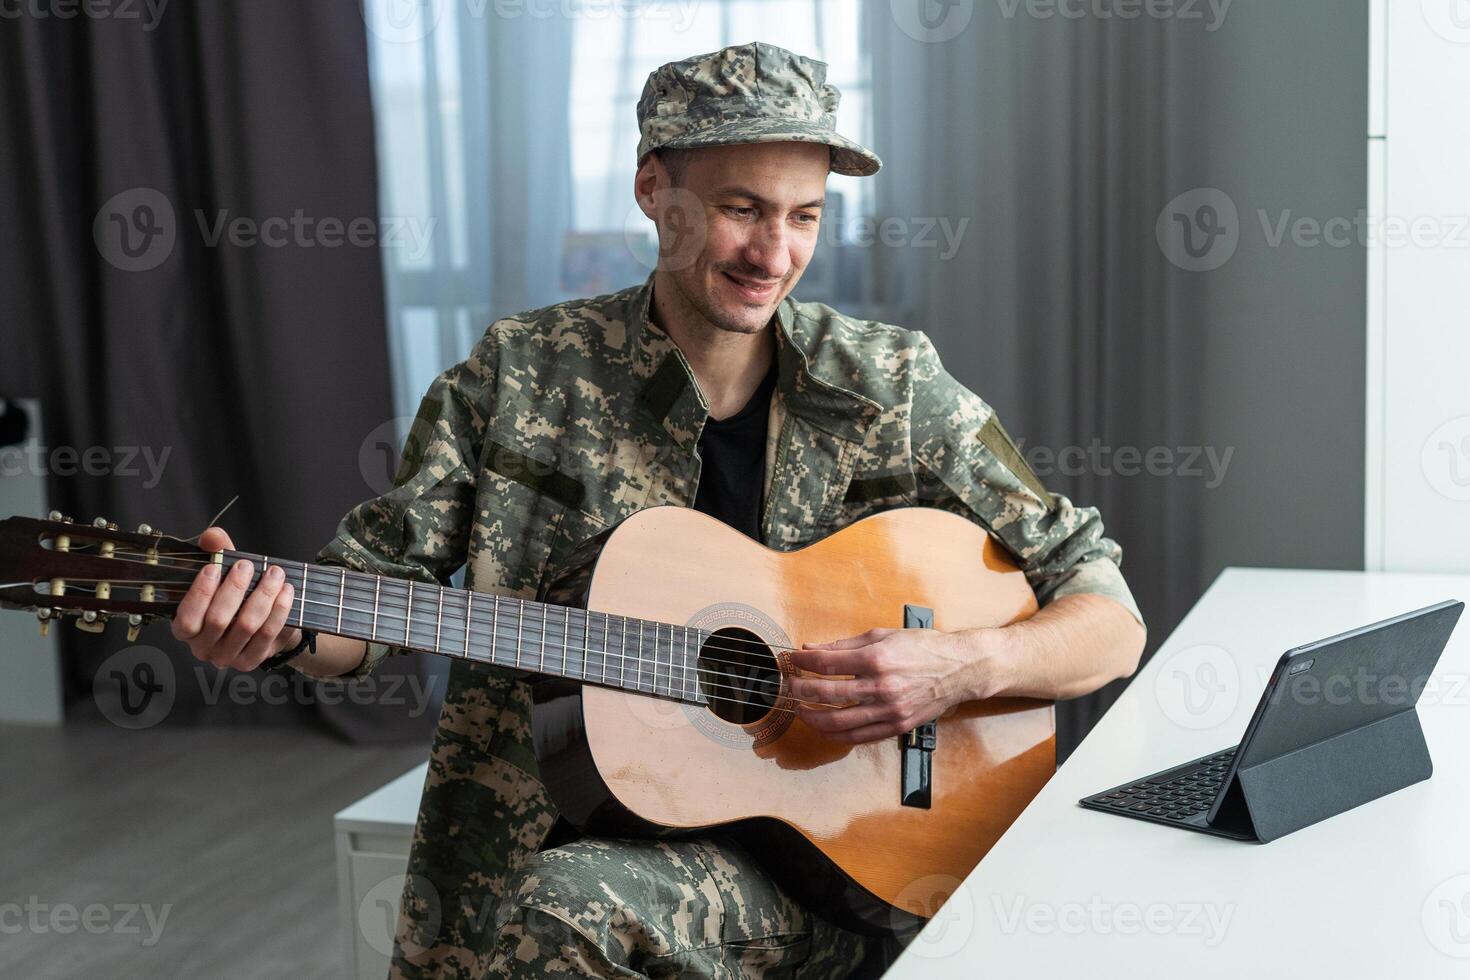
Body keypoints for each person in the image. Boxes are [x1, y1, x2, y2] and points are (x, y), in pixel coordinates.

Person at [171, 41, 1146, 979]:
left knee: (572, 907)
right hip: (558, 840)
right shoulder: (518, 374)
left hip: (836, 877)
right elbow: (369, 605)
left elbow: (1106, 616)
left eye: (805, 215)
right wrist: (277, 628)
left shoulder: (888, 383)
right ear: (653, 190)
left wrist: (955, 664)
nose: (775, 251)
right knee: (565, 902)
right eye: (740, 208)